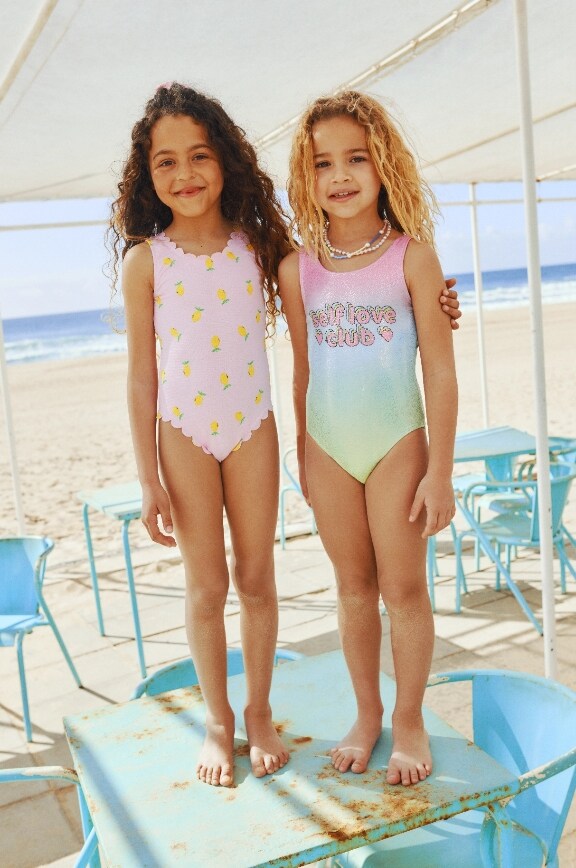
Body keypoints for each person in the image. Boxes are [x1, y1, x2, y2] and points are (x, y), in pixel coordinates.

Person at [109, 83, 461, 789]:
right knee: (261, 587)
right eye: (165, 162)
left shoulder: (281, 248)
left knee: (335, 584)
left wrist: (439, 302)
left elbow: (412, 337)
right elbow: (160, 376)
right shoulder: (204, 262)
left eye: (200, 155)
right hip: (233, 437)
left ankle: (342, 717)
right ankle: (249, 721)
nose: (185, 173)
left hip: (320, 435)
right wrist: (150, 476)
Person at [279, 91, 458, 788]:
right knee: (353, 589)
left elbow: (439, 371)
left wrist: (439, 470)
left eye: (356, 158)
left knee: (403, 588)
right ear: (307, 178)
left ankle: (410, 720)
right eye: (323, 163)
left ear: (384, 166)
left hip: (397, 444)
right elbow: (302, 369)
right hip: (327, 446)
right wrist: (303, 450)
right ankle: (367, 714)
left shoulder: (415, 259)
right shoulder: (296, 269)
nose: (341, 175)